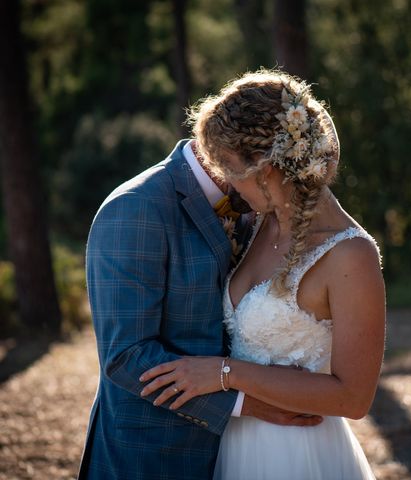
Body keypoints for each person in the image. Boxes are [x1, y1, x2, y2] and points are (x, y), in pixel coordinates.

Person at [139, 70, 386, 479]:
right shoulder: (259, 223)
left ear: (266, 167)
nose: (227, 183)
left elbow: (354, 397)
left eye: (231, 169)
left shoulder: (350, 255)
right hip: (234, 444)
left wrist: (223, 373)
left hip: (297, 454)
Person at [78, 92, 323, 477]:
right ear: (243, 158)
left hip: (246, 454)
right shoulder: (134, 210)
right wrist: (250, 403)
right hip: (151, 456)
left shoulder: (261, 201)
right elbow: (127, 357)